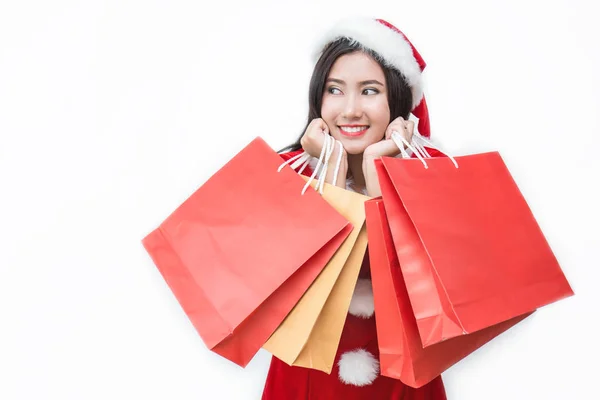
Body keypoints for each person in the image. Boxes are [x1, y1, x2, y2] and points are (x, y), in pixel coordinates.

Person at [261, 17, 448, 399]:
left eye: (369, 91)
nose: (350, 109)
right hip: (306, 380)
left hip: (404, 383)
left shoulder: (436, 179)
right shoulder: (285, 176)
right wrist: (331, 170)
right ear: (318, 98)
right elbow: (293, 297)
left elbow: (424, 292)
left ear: (397, 102)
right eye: (335, 89)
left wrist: (380, 171)